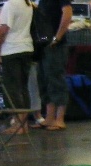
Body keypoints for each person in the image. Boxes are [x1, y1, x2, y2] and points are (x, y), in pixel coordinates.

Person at [0, 0, 34, 135]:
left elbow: (2, 30)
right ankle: (24, 123)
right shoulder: (27, 4)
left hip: (11, 50)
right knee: (23, 87)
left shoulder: (10, 5)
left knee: (11, 89)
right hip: (26, 48)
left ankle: (17, 123)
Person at [37, 0, 71, 131]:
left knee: (56, 79)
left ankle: (60, 119)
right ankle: (49, 117)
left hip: (56, 46)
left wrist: (58, 37)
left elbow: (67, 13)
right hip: (44, 45)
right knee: (45, 80)